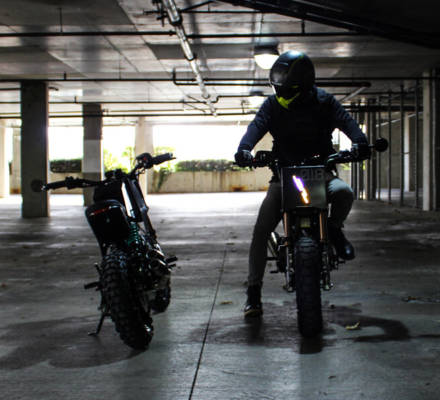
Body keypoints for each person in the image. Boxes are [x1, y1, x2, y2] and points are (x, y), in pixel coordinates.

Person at [234, 50, 371, 317]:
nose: (281, 94)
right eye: (278, 88)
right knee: (261, 231)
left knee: (344, 192)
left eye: (287, 89)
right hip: (283, 177)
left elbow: (348, 123)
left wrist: (360, 142)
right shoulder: (272, 105)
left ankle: (333, 228)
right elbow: (256, 127)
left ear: (303, 85)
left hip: (321, 173)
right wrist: (244, 149)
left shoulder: (324, 102)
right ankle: (253, 291)